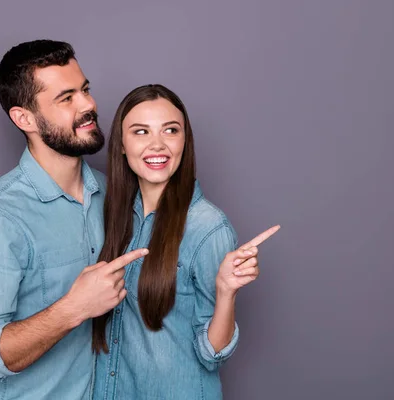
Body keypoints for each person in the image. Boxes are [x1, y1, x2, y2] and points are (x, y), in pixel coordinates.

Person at [0, 39, 148, 400]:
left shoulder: (115, 196)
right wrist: (73, 308)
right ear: (23, 118)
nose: (88, 105)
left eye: (85, 90)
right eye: (67, 98)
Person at [91, 84, 280, 399]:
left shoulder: (208, 227)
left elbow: (213, 353)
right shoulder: (115, 215)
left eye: (170, 130)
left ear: (184, 141)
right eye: (141, 132)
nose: (157, 145)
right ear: (121, 145)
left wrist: (225, 292)